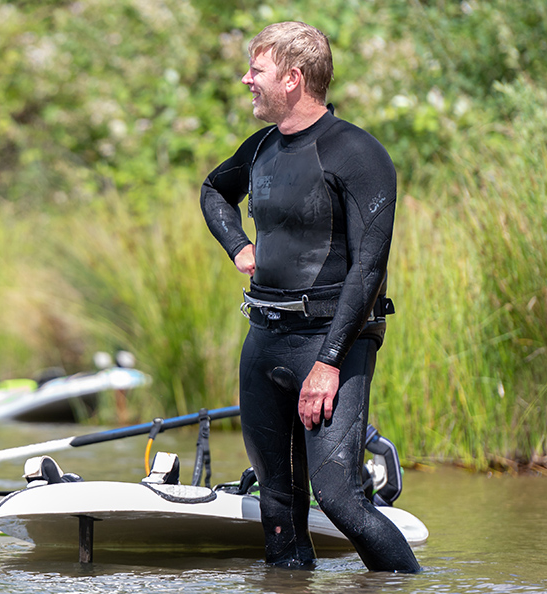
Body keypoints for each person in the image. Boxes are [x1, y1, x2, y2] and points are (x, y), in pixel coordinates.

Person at [199, 21, 420, 573]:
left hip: (331, 343)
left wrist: (326, 363)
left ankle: (411, 586)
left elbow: (369, 267)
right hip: (265, 338)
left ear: (293, 79)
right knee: (276, 504)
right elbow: (213, 191)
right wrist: (238, 247)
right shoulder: (262, 149)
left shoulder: (358, 154)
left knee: (341, 498)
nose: (246, 79)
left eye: (257, 70)